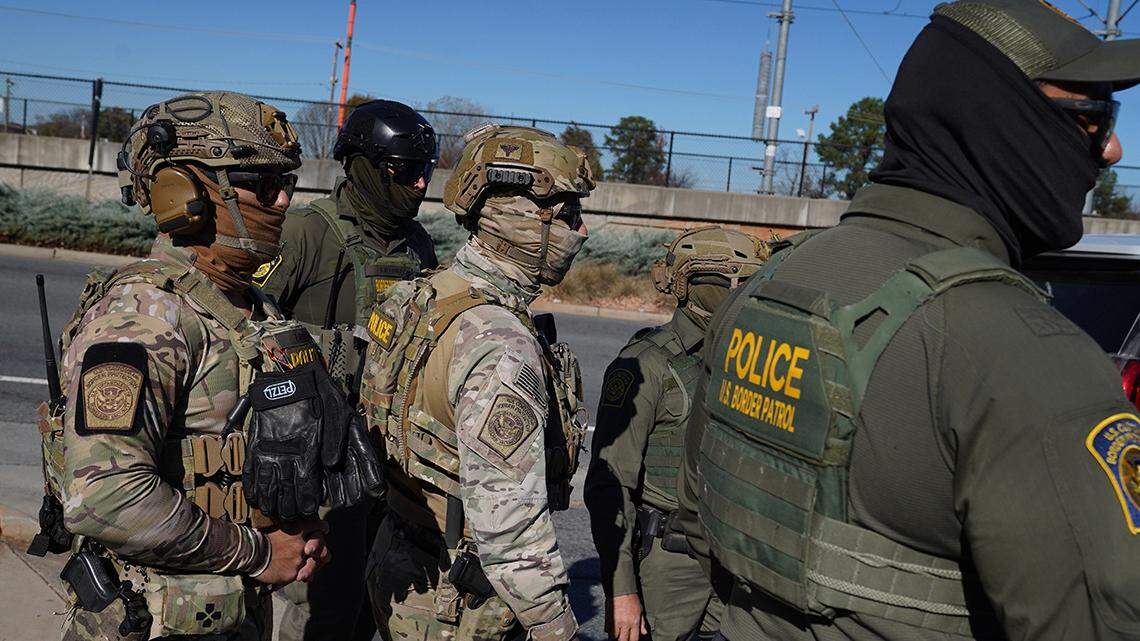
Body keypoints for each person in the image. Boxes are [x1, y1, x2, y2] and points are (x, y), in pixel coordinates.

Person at [676, 1, 1140, 640]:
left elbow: (701, 519)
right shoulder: (1030, 359)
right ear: (999, 122)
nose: (1112, 149)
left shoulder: (769, 283)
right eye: (1093, 118)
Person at [37, 91, 338, 641]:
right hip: (156, 621)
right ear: (188, 193)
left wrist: (295, 524)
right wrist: (258, 552)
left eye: (286, 184)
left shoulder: (250, 306)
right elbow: (105, 496)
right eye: (264, 184)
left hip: (232, 612)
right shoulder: (144, 318)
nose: (282, 201)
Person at [357, 124, 594, 641]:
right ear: (525, 221)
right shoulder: (499, 342)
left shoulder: (428, 293)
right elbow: (510, 529)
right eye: (570, 215)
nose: (582, 231)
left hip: (401, 558)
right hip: (458, 601)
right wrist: (555, 626)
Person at [258, 99, 439, 641]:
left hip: (393, 453)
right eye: (404, 172)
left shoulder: (416, 246)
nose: (420, 186)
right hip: (329, 455)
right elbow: (247, 324)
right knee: (325, 607)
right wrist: (330, 352)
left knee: (377, 601)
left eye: (424, 171)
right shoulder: (307, 234)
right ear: (362, 166)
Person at [585, 226, 767, 641]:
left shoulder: (746, 358)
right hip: (668, 563)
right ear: (695, 282)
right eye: (738, 283)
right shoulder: (647, 364)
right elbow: (609, 485)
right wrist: (622, 591)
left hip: (732, 561)